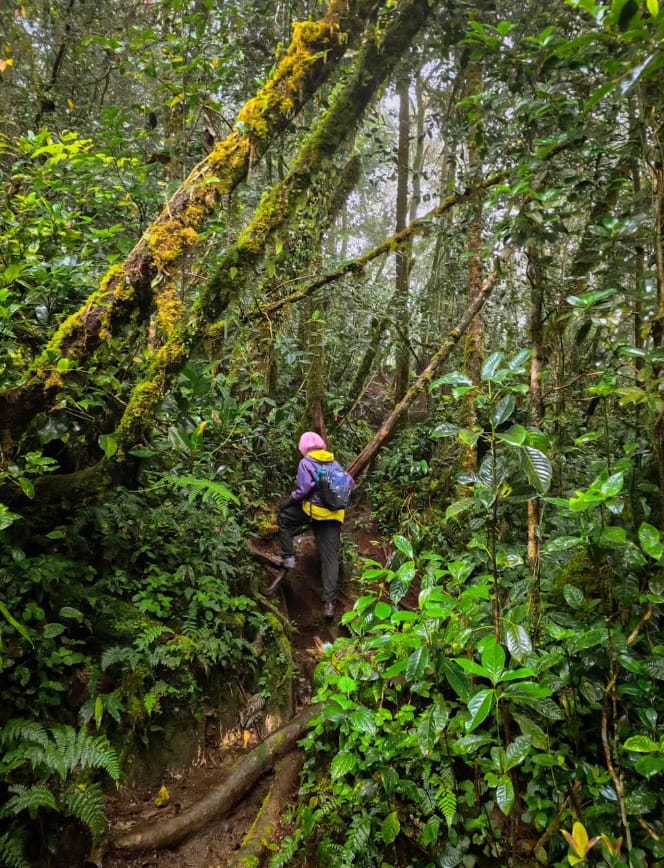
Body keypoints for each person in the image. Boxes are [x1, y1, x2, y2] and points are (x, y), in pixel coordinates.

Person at [277, 432, 355, 618]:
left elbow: (304, 489)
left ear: (303, 448)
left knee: (284, 519)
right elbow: (350, 483)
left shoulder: (306, 463)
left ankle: (288, 557)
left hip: (315, 511)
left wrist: (288, 502)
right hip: (335, 514)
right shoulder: (333, 462)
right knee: (330, 558)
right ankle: (329, 603)